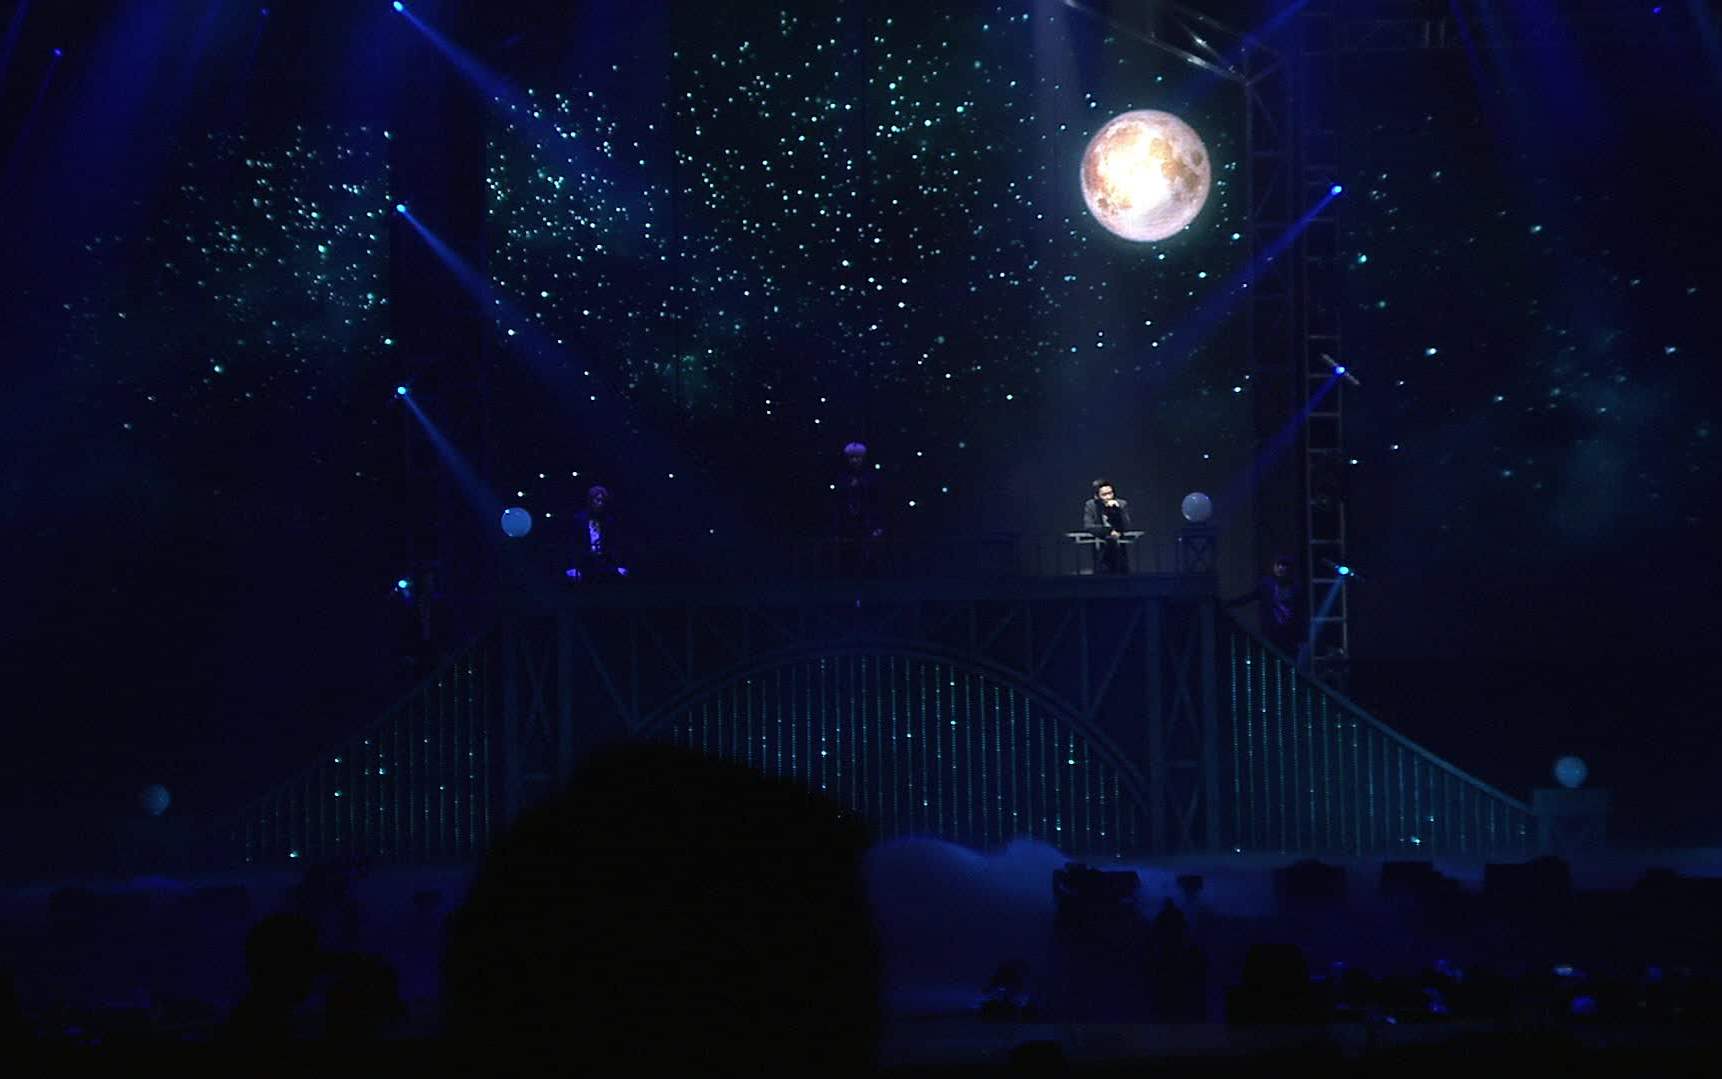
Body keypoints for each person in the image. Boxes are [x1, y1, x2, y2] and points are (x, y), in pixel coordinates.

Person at [1225, 554, 1303, 662]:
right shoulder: (1266, 584)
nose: (1280, 568)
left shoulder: (1295, 588)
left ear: (1289, 569)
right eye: (1278, 565)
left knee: (1288, 660)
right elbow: (1250, 597)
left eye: (1284, 565)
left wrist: (1301, 636)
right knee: (1270, 659)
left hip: (1289, 634)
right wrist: (1230, 603)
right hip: (1271, 632)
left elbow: (1300, 612)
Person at [831, 441, 884, 576]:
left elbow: (877, 502)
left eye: (858, 457)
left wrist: (878, 524)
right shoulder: (842, 477)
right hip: (847, 520)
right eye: (852, 458)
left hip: (866, 519)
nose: (854, 460)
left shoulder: (871, 477)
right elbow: (837, 502)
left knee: (867, 551)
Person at [566, 484, 628, 582]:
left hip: (604, 564)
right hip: (584, 563)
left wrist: (618, 566)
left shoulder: (608, 521)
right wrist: (572, 567)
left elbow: (614, 545)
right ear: (591, 500)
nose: (600, 503)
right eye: (597, 500)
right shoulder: (579, 519)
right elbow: (573, 544)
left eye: (602, 501)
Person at [1082, 479, 1132, 575]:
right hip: (1101, 547)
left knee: (1122, 571)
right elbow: (1088, 526)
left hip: (1119, 548)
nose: (1109, 497)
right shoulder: (1091, 505)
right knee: (1102, 571)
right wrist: (1109, 531)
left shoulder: (1121, 504)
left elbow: (1127, 525)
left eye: (1110, 493)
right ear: (1097, 496)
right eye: (1104, 495)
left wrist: (1118, 510)